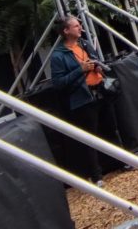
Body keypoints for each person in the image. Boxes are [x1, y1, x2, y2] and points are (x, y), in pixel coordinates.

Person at [50, 15, 113, 186]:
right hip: (82, 100)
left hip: (99, 91)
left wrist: (98, 66)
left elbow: (95, 61)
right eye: (76, 26)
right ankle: (97, 175)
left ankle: (119, 162)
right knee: (89, 137)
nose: (80, 28)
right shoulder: (58, 55)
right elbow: (58, 83)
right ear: (66, 31)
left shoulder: (85, 44)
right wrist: (80, 69)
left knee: (110, 128)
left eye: (79, 25)